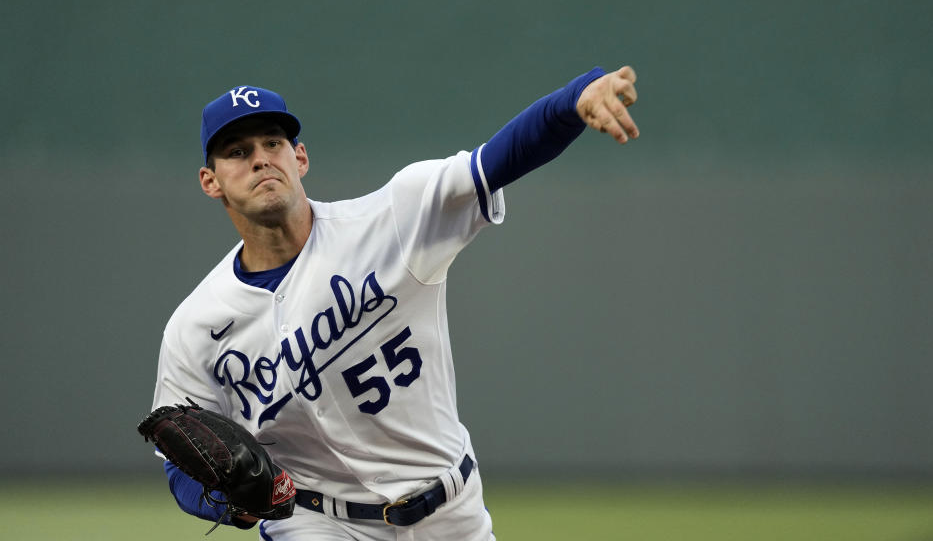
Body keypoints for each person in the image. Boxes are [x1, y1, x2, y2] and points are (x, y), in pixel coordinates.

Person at [147, 65, 639, 540]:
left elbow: (499, 159)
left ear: (299, 158)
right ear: (210, 181)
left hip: (450, 509)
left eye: (272, 143)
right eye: (236, 151)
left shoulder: (392, 219)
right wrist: (228, 504)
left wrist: (575, 99)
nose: (260, 159)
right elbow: (179, 460)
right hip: (316, 521)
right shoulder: (195, 326)